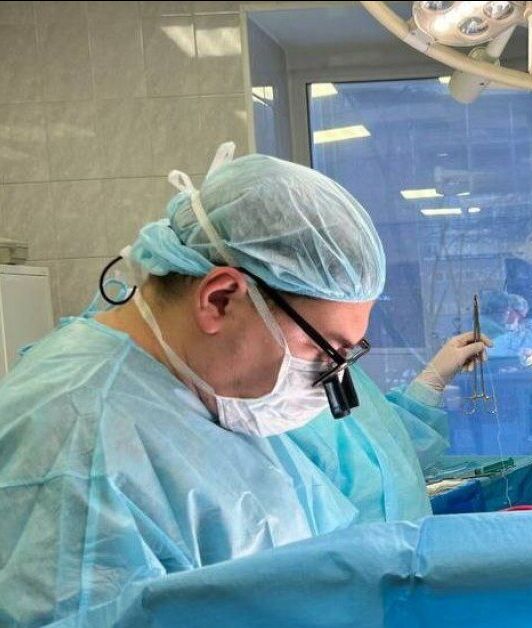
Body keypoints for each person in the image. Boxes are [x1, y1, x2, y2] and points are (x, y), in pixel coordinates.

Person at [0, 148, 488, 625]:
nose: (331, 378)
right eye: (323, 349)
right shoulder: (73, 430)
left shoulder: (212, 397)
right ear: (220, 299)